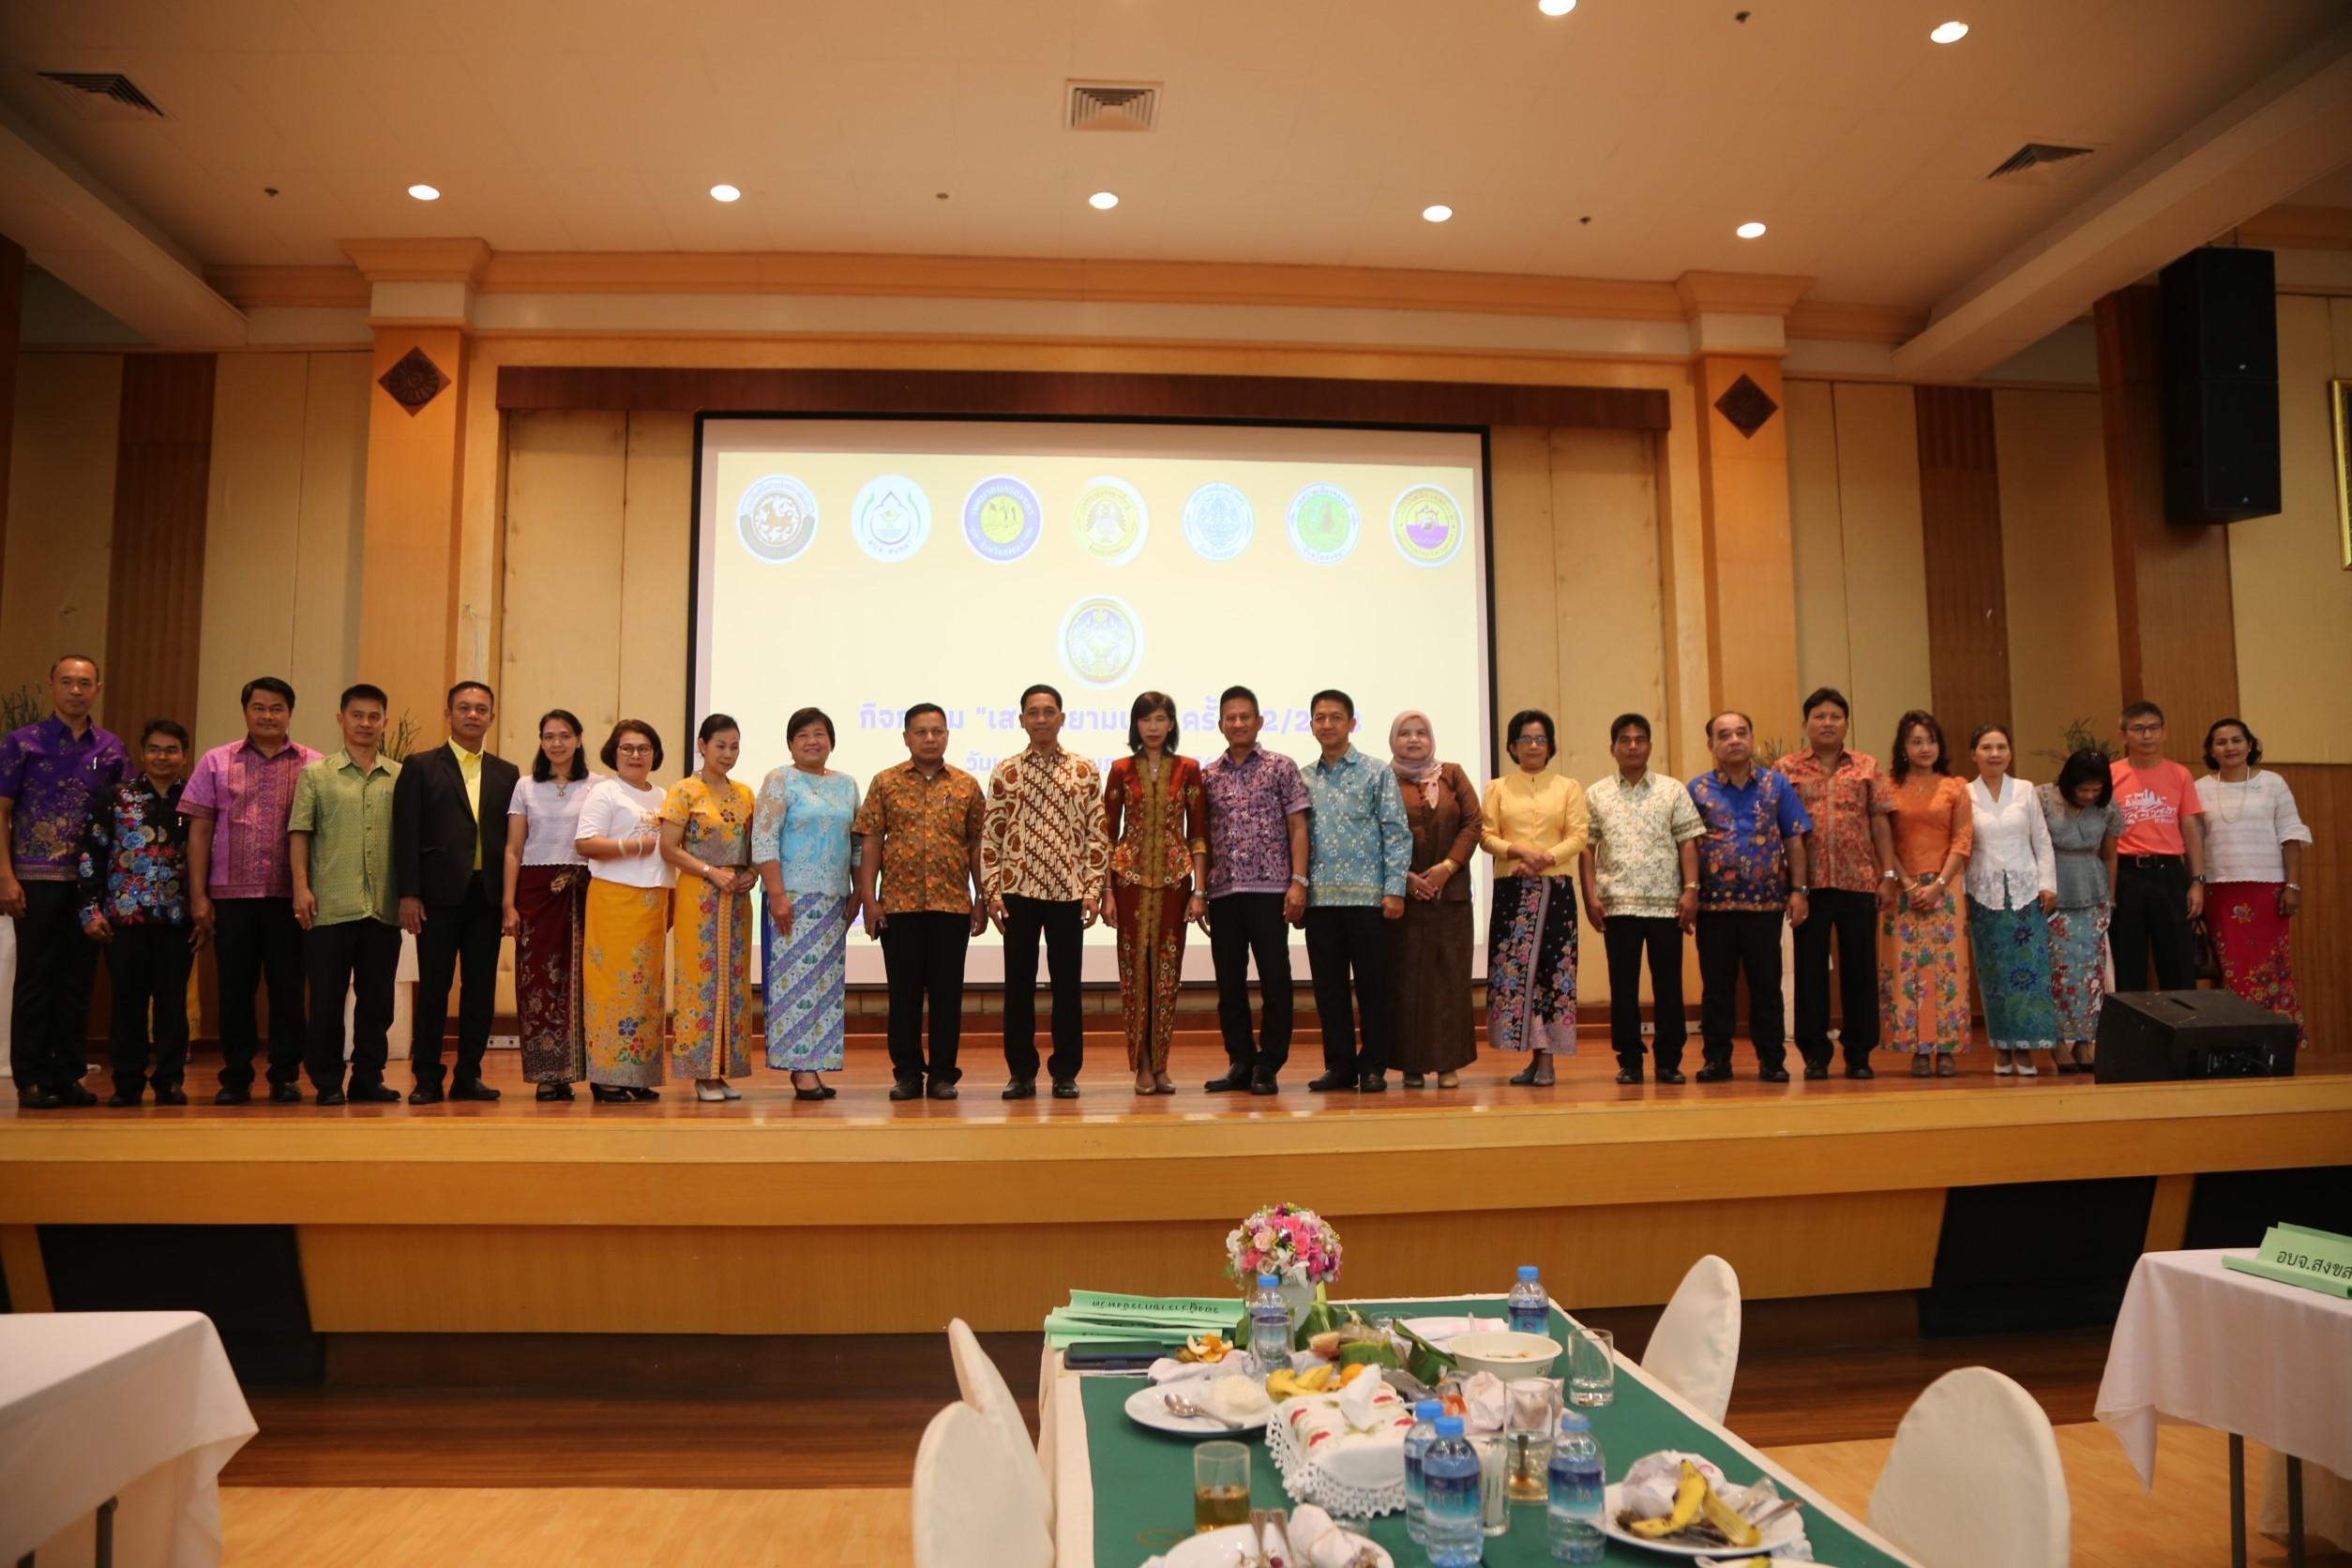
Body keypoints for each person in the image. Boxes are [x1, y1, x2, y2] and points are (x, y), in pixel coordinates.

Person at [179, 675, 318, 1105]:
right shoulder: (216, 761)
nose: (268, 716)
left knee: (288, 991)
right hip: (230, 898)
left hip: (288, 898)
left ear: (290, 713)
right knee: (234, 991)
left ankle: (285, 1076)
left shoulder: (314, 765)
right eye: (259, 707)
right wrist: (198, 895)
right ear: (245, 712)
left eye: (277, 708)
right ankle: (235, 1077)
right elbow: (199, 831)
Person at [0, 655, 127, 1108]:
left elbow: (122, 814)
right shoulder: (22, 743)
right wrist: (5, 876)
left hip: (89, 884)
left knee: (77, 980)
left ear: (97, 689)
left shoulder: (109, 749)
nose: (76, 690)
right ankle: (31, 1078)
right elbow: (2, 811)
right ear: (51, 686)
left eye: (85, 683)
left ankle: (69, 1075)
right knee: (35, 979)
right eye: (67, 682)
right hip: (33, 878)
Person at [981, 684, 1110, 1100]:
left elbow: (1097, 833)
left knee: (1067, 987)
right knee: (1017, 986)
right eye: (1033, 712)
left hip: (1069, 893)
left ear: (1061, 718)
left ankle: (1065, 1072)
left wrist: (1092, 889)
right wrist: (991, 892)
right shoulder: (1006, 771)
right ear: (1022, 720)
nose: (1041, 719)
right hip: (1017, 891)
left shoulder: (1085, 770)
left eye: (1048, 711)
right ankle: (1021, 1072)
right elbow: (992, 835)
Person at [853, 703, 988, 1101]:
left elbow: (977, 844)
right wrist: (869, 900)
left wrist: (982, 897)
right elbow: (871, 842)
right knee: (904, 996)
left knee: (948, 996)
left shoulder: (966, 785)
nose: (930, 738)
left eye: (937, 731)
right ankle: (908, 1074)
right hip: (899, 906)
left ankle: (944, 1074)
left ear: (947, 735)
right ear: (906, 737)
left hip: (952, 906)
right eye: (921, 732)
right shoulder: (886, 782)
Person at [394, 681, 519, 1104]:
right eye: (463, 707)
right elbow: (406, 833)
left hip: (487, 897)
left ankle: (469, 1075)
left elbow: (513, 840)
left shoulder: (506, 773)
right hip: (436, 897)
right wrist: (408, 893)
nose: (472, 715)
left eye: (481, 709)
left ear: (491, 718)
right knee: (434, 989)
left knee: (480, 991)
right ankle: (427, 1078)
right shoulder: (421, 766)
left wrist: (510, 900)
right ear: (448, 714)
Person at [1774, 688, 1899, 1080]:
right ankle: (1815, 1054)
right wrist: (1788, 885)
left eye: (1835, 716)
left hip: (1858, 881)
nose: (1827, 723)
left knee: (1860, 970)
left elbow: (1880, 822)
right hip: (1807, 885)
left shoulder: (1867, 766)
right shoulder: (1785, 769)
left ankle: (1859, 1053)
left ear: (1846, 723)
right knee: (1810, 971)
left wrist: (1888, 875)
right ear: (1806, 723)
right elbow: (1776, 827)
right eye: (1819, 716)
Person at [288, 686, 403, 1106]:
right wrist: (301, 887)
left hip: (383, 907)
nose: (365, 724)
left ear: (384, 722)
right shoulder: (316, 774)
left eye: (374, 716)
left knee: (378, 1002)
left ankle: (368, 1078)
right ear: (341, 718)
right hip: (330, 906)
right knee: (326, 1001)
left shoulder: (400, 776)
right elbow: (300, 832)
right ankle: (327, 1081)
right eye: (357, 715)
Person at [78, 718, 197, 1107]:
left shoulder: (195, 800)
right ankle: (127, 1083)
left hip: (178, 921)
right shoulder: (115, 797)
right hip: (123, 920)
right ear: (142, 753)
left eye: (171, 750)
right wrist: (89, 910)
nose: (163, 757)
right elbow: (91, 855)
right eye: (154, 749)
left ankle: (170, 1082)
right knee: (127, 1005)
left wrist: (204, 912)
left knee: (172, 1006)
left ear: (184, 755)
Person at [1580, 713, 1704, 1085]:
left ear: (1650, 746)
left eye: (1639, 739)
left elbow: (1687, 843)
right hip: (1616, 905)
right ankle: (1630, 1060)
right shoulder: (1596, 793)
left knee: (1669, 986)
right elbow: (1586, 849)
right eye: (1625, 740)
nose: (1632, 746)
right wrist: (1589, 896)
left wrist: (1691, 890)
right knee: (1623, 987)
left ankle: (1668, 1061)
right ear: (1613, 748)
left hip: (1667, 905)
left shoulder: (1672, 790)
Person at [1197, 686, 1309, 1096]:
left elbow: (1298, 827)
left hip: (1271, 890)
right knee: (1229, 983)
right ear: (1220, 724)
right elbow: (1202, 838)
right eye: (1231, 717)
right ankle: (1241, 1061)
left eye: (1245, 716)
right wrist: (1200, 891)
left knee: (1275, 979)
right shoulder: (1208, 776)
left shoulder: (1281, 767)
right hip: (1223, 892)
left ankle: (1269, 1063)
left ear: (1259, 722)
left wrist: (1299, 882)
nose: (1238, 723)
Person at [1688, 711, 1811, 1083]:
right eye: (1724, 735)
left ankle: (1772, 1060)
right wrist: (1688, 893)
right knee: (1716, 988)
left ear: (1751, 738)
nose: (1734, 740)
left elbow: (1794, 838)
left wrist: (1799, 891)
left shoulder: (1776, 785)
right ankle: (1717, 1059)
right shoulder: (1697, 790)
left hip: (1765, 904)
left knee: (1766, 986)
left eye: (1741, 733)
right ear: (1711, 745)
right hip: (1714, 907)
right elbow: (1686, 846)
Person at [1301, 689, 1410, 1093]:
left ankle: (1374, 1066)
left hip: (1369, 900)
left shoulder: (1376, 772)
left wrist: (1394, 889)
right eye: (1320, 718)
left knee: (1373, 988)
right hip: (1320, 901)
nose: (1327, 724)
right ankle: (1340, 1066)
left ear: (1351, 723)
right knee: (1328, 990)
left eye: (1335, 717)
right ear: (1311, 725)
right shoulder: (1302, 778)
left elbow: (1396, 833)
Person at [752, 707, 861, 1100]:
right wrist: (777, 894)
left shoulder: (846, 784)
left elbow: (857, 843)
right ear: (790, 743)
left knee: (824, 988)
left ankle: (815, 1063)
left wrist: (859, 892)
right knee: (793, 984)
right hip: (792, 899)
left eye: (819, 734)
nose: (812, 741)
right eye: (803, 735)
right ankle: (800, 1069)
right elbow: (763, 839)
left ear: (831, 741)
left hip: (834, 900)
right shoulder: (780, 779)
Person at [1103, 692, 1206, 1096]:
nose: (1153, 727)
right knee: (1134, 975)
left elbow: (1198, 835)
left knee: (1166, 975)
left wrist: (1199, 891)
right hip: (1128, 882)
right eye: (1145, 719)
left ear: (1171, 724)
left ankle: (1161, 1062)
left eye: (1160, 719)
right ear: (1136, 725)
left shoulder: (1189, 770)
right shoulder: (1120, 770)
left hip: (1175, 882)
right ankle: (1141, 1064)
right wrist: (1106, 890)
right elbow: (1107, 837)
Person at [1481, 708, 1587, 1087]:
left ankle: (1547, 1061)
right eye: (1525, 739)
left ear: (1550, 745)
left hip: (1555, 889)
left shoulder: (1568, 787)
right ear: (1512, 746)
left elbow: (1578, 834)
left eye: (1541, 739)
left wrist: (1543, 859)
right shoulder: (1497, 788)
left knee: (1552, 972)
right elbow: (1486, 836)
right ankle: (1532, 1056)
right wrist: (1518, 852)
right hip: (1512, 891)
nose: (1533, 746)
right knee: (1516, 976)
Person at [575, 721, 675, 1104]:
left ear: (655, 754)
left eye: (644, 748)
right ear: (614, 753)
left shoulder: (663, 795)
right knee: (612, 988)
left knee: (646, 992)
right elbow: (584, 843)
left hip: (654, 901)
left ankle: (637, 1075)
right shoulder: (606, 792)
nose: (636, 755)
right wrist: (630, 847)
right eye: (627, 748)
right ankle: (607, 1078)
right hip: (615, 900)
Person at [662, 715, 761, 1102]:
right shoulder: (683, 791)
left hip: (736, 899)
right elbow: (669, 848)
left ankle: (722, 1071)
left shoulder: (746, 794)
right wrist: (710, 872)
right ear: (702, 745)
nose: (728, 754)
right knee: (699, 982)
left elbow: (755, 848)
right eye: (720, 745)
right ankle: (701, 1074)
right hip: (698, 895)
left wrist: (751, 873)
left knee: (734, 983)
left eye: (734, 746)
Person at [2196, 717, 2312, 1042]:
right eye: (2221, 742)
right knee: (2233, 970)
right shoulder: (2199, 788)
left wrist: (2293, 885)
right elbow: (2193, 842)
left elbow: (2291, 836)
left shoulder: (2273, 783)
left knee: (2272, 969)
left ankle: (2274, 1042)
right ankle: (2236, 1043)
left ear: (2249, 745)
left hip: (2268, 891)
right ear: (2211, 750)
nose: (2230, 747)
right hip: (2219, 891)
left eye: (2237, 740)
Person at [503, 709, 594, 1101]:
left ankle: (579, 1072)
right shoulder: (525, 786)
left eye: (565, 735)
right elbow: (513, 849)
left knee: (582, 982)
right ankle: (545, 1074)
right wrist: (508, 904)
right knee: (537, 982)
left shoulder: (598, 786)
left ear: (579, 739)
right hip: (536, 893)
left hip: (584, 891)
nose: (557, 743)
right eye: (549, 736)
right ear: (541, 742)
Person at [1390, 711, 1481, 1090]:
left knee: (1450, 980)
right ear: (1393, 740)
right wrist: (1404, 877)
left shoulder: (1453, 775)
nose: (1414, 740)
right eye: (1405, 733)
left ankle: (1448, 1064)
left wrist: (1448, 867)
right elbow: (1376, 831)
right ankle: (1410, 1065)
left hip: (1450, 897)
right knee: (1406, 981)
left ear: (1431, 739)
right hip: (1404, 899)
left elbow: (1473, 823)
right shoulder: (1384, 779)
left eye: (1421, 733)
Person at [1881, 710, 1972, 1076]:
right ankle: (1917, 1048)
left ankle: (1946, 1048)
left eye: (1931, 741)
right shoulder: (1888, 787)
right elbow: (1883, 841)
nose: (1924, 748)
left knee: (1947, 970)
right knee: (1907, 970)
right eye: (1916, 741)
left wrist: (1938, 885)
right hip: (1902, 889)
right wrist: (1907, 883)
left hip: (1946, 889)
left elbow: (1962, 840)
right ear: (1903, 747)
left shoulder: (1955, 787)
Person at [1964, 724, 2058, 1077]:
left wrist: (2048, 885)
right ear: (1974, 754)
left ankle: (2026, 1049)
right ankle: (2002, 1048)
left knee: (2029, 974)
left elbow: (2042, 840)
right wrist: (1961, 892)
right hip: (1982, 893)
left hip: (2025, 894)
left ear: (2010, 753)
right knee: (1994, 976)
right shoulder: (1964, 793)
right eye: (1986, 747)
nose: (1994, 754)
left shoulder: (2025, 789)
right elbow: (1960, 847)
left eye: (2001, 747)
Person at [2108, 701, 2207, 992]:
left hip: (2169, 874)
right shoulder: (2110, 775)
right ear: (2123, 735)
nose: (2147, 735)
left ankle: (2184, 1022)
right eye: (2138, 729)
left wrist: (2197, 880)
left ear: (2164, 732)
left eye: (2153, 728)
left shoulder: (2180, 774)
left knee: (2177, 960)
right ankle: (2131, 1023)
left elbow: (2191, 829)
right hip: (2125, 874)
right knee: (2127, 961)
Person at [2040, 750, 2123, 1074]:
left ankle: (2086, 1040)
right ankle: (2058, 1041)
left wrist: (2110, 899)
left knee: (2090, 973)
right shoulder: (2044, 798)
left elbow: (2111, 856)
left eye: (2095, 790)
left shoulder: (2108, 806)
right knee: (2058, 971)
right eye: (2083, 789)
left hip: (2093, 891)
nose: (2089, 795)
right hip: (2053, 891)